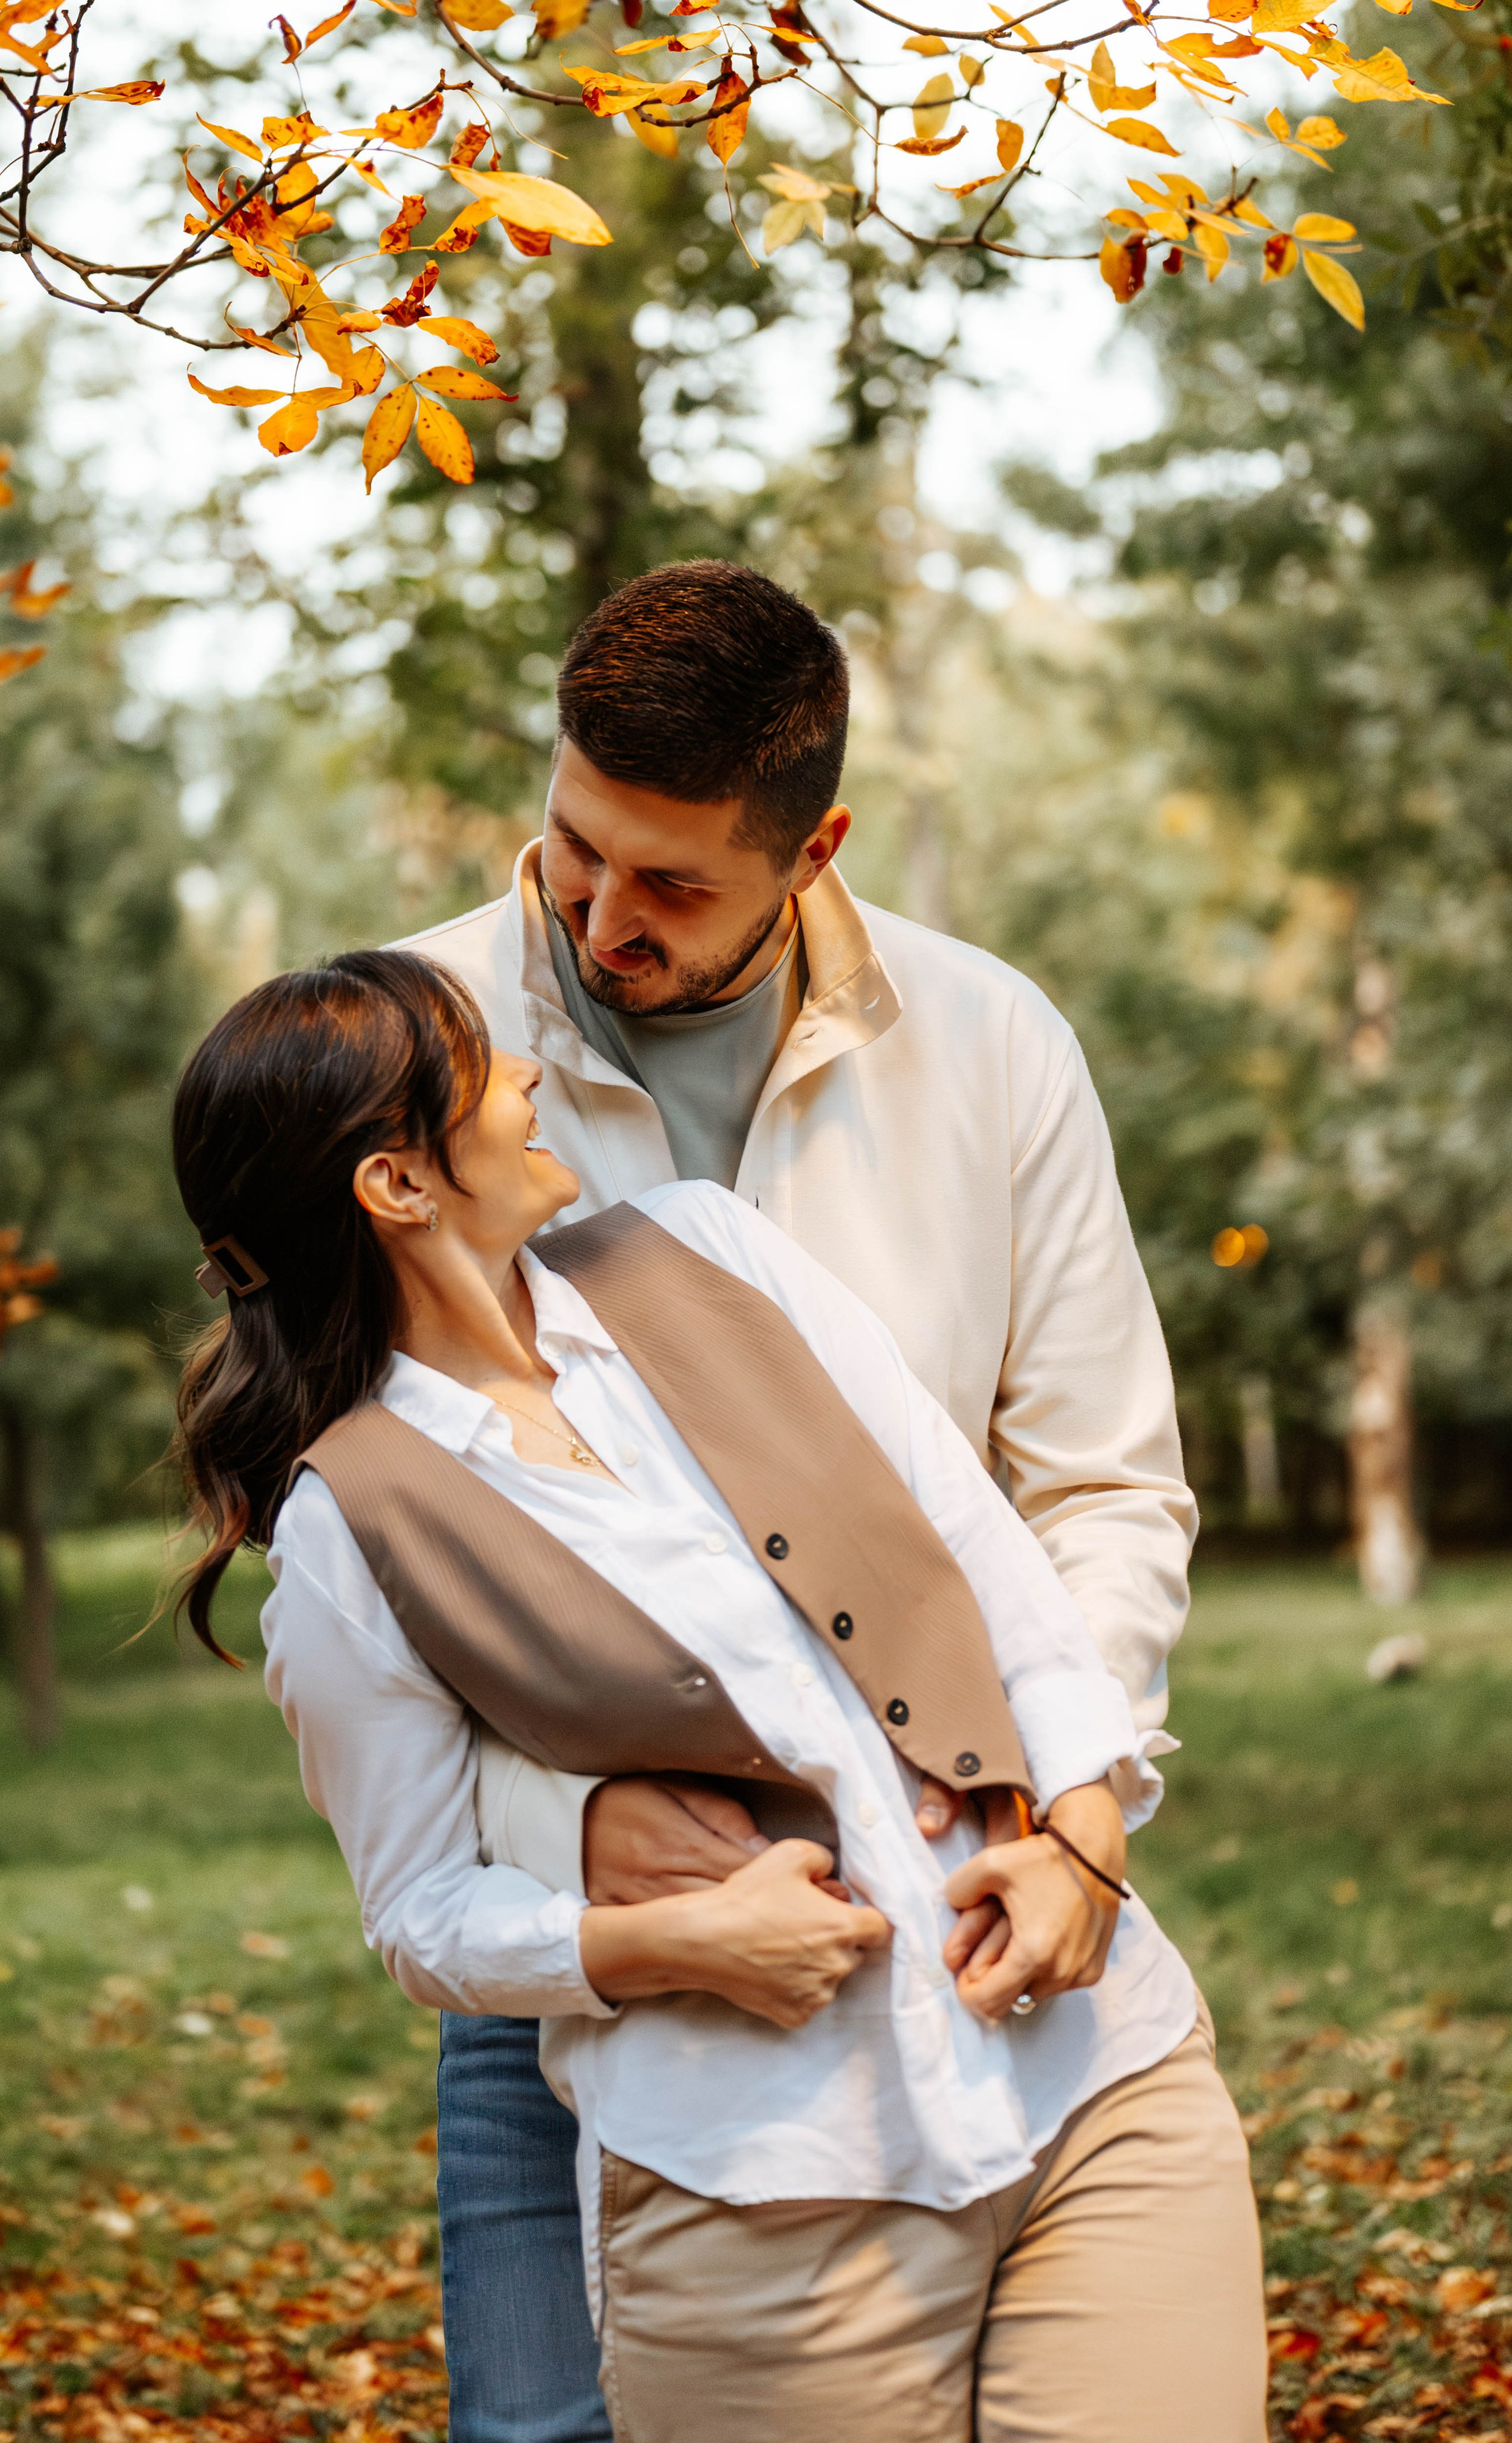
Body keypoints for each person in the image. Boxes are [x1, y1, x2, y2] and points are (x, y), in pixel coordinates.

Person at [169, 950, 1265, 2443]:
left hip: (1093, 2069)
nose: (526, 1076)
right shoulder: (345, 1531)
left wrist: (1081, 1823)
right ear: (397, 1184)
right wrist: (668, 1942)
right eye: (484, 1065)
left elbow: (978, 1555)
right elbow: (418, 1912)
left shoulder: (709, 1249)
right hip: (763, 2185)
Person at [391, 561, 1200, 2443]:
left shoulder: (991, 1045)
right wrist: (577, 1826)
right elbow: (368, 1539)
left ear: (814, 846)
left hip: (970, 1887)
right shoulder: (402, 1050)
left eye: (671, 885)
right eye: (574, 846)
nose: (598, 919)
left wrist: (1077, 1807)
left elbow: (1098, 1482)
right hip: (583, 1952)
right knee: (541, 2428)